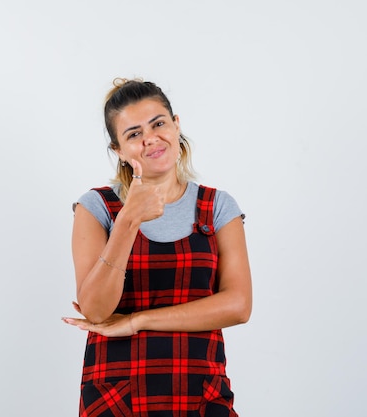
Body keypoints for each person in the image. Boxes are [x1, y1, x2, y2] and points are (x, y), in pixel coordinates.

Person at [62, 78, 252, 417]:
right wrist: (128, 221)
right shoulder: (98, 208)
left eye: (158, 123)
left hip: (200, 395)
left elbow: (238, 306)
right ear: (118, 150)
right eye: (134, 134)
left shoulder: (217, 206)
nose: (150, 138)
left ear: (176, 125)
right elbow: (95, 310)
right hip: (116, 399)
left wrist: (138, 321)